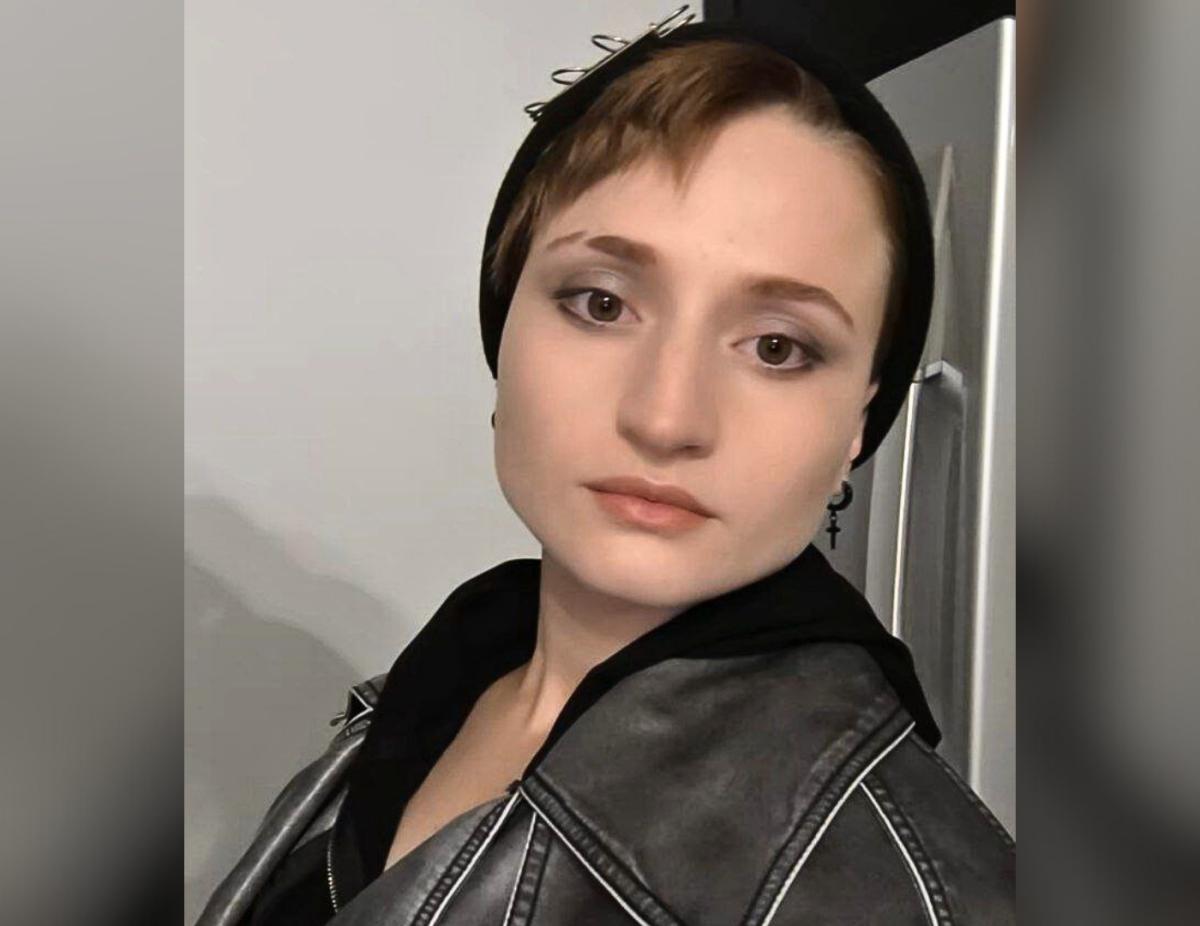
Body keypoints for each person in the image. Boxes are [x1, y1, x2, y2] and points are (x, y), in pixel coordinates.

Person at [198, 12, 1015, 926]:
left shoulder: (910, 888)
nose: (666, 418)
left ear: (860, 419)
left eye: (777, 347)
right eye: (600, 303)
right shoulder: (442, 681)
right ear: (504, 326)